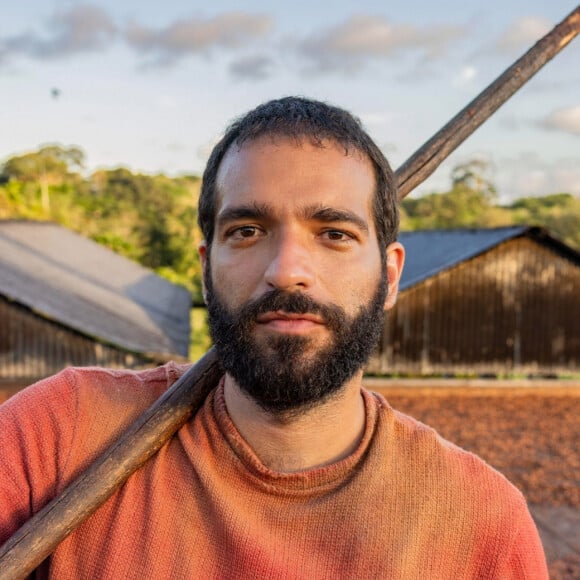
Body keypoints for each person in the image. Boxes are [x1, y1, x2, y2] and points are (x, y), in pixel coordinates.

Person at [0, 97, 547, 578]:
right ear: (206, 266)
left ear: (390, 276)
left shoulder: (482, 523)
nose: (287, 270)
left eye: (334, 234)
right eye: (247, 232)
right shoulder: (58, 435)